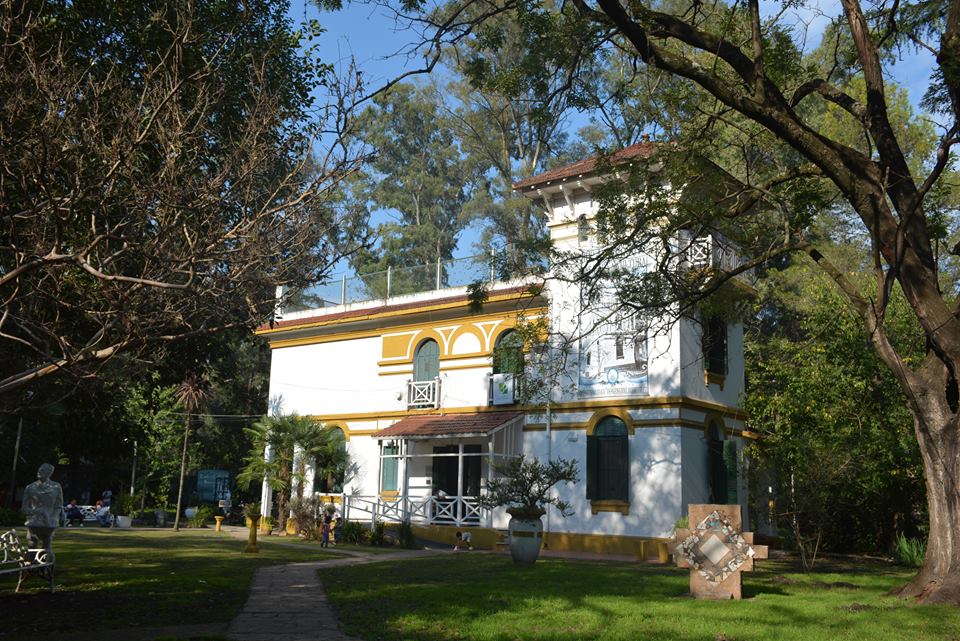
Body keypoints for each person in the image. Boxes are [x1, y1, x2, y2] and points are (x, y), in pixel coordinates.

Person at [22, 463, 64, 550]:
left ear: (49, 473)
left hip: (50, 522)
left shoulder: (56, 486)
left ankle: (47, 561)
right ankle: (31, 561)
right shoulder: (30, 487)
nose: (39, 471)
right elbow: (24, 508)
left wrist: (54, 517)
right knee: (32, 544)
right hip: (34, 521)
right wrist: (37, 511)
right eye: (39, 469)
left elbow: (58, 505)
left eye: (43, 470)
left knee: (47, 544)